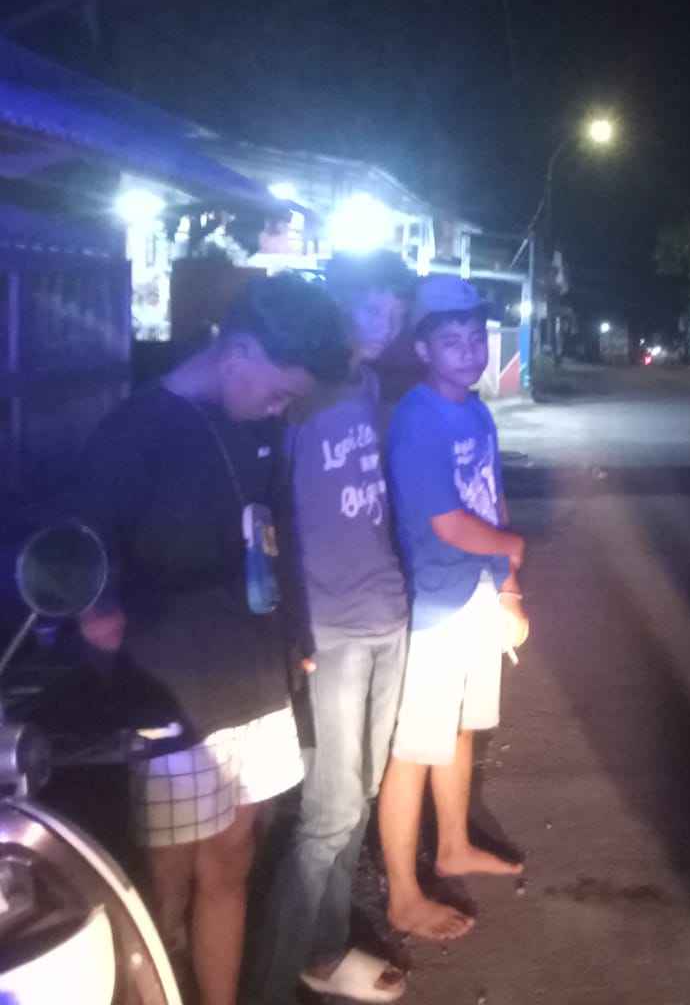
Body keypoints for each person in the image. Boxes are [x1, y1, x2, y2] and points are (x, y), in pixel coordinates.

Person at [75, 272, 351, 1005]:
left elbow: (276, 531)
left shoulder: (255, 421)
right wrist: (97, 614)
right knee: (163, 888)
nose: (282, 409)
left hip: (254, 677)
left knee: (233, 860)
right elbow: (84, 553)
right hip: (173, 696)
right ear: (240, 352)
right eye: (280, 392)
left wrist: (295, 636)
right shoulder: (135, 430)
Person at [249, 254, 474, 1005]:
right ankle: (269, 984)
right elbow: (270, 519)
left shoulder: (373, 387)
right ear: (339, 306)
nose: (385, 324)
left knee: (362, 795)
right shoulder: (296, 398)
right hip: (332, 628)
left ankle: (323, 951)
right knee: (329, 814)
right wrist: (290, 629)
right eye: (372, 308)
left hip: (387, 614)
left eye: (394, 313)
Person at [378, 274, 530, 931]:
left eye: (475, 338)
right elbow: (447, 522)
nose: (469, 352)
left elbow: (491, 496)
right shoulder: (416, 419)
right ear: (422, 349)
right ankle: (402, 895)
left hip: (476, 592)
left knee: (463, 726)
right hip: (434, 603)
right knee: (415, 747)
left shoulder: (476, 411)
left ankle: (454, 846)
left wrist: (508, 584)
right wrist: (513, 546)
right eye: (451, 341)